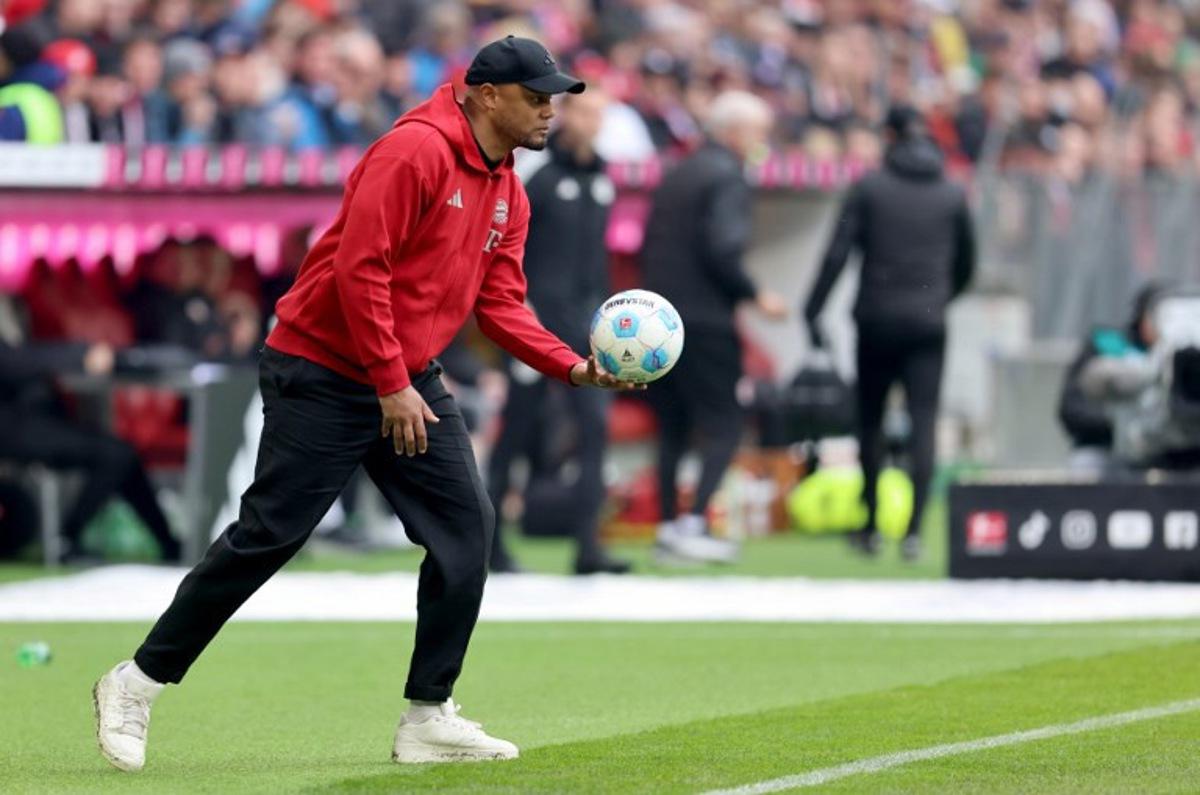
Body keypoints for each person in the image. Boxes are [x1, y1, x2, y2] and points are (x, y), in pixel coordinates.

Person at [93, 36, 641, 772]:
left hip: (406, 377)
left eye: (553, 99)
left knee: (466, 527)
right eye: (537, 97)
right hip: (323, 368)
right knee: (269, 535)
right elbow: (360, 270)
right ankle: (135, 682)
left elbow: (503, 303)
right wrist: (390, 382)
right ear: (485, 94)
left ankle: (428, 714)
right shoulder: (412, 151)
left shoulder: (509, 186)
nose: (551, 111)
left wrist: (573, 367)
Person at [804, 105, 975, 562]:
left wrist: (813, 310)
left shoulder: (870, 188)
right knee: (923, 422)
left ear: (890, 135)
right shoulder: (951, 193)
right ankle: (915, 531)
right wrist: (937, 298)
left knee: (870, 422)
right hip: (927, 321)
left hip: (876, 319)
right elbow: (966, 265)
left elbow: (837, 254)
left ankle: (872, 524)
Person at [486, 86, 629, 576]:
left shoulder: (603, 177)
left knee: (596, 428)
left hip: (587, 329)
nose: (593, 121)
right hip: (535, 326)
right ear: (567, 115)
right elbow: (508, 248)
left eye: (600, 112)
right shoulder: (540, 176)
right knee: (518, 432)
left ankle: (588, 547)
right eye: (586, 110)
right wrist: (517, 314)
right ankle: (489, 544)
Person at [641, 90, 788, 565]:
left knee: (673, 428)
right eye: (759, 131)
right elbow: (723, 249)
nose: (762, 142)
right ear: (736, 130)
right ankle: (696, 522)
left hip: (660, 320)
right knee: (724, 422)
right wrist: (755, 292)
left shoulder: (677, 172)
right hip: (705, 319)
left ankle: (668, 526)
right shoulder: (728, 176)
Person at [0, 295, 181, 564]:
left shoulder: (17, 307)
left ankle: (170, 544)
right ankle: (67, 538)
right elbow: (12, 363)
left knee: (122, 455)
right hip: (13, 427)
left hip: (31, 420)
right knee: (117, 455)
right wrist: (81, 355)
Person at [1058, 283, 1163, 471]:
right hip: (1104, 450)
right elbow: (1071, 408)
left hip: (1169, 459)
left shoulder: (1185, 360)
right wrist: (1117, 423)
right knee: (1086, 467)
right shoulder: (1108, 347)